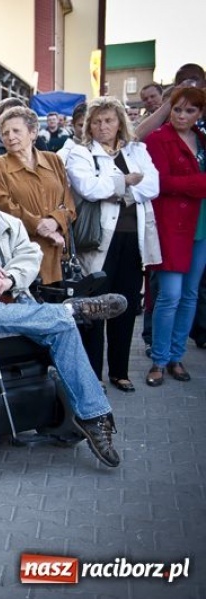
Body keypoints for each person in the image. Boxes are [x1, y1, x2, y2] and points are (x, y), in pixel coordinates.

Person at [0, 147, 125, 467]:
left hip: (16, 300)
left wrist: (10, 278)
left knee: (61, 328)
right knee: (6, 313)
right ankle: (71, 310)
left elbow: (29, 256)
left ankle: (94, 418)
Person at [65, 96, 161, 393]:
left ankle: (120, 372)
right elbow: (89, 188)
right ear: (88, 127)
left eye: (108, 120)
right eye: (96, 121)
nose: (102, 126)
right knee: (95, 310)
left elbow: (153, 186)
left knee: (126, 305)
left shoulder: (138, 150)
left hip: (133, 241)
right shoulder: (81, 153)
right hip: (98, 243)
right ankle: (93, 376)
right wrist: (128, 182)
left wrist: (119, 187)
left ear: (120, 122)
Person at [143, 86, 206, 386]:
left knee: (190, 295)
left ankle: (176, 357)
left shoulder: (203, 140)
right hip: (171, 225)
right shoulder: (158, 138)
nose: (182, 115)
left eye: (190, 110)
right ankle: (159, 360)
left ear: (200, 113)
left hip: (201, 225)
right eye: (177, 109)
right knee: (169, 296)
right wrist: (201, 183)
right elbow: (160, 182)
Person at [0, 106, 76, 285]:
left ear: (33, 133)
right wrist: (40, 226)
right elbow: (1, 206)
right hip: (23, 255)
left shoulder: (53, 160)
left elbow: (69, 204)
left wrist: (55, 221)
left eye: (16, 131)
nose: (10, 137)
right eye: (5, 133)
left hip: (58, 252)